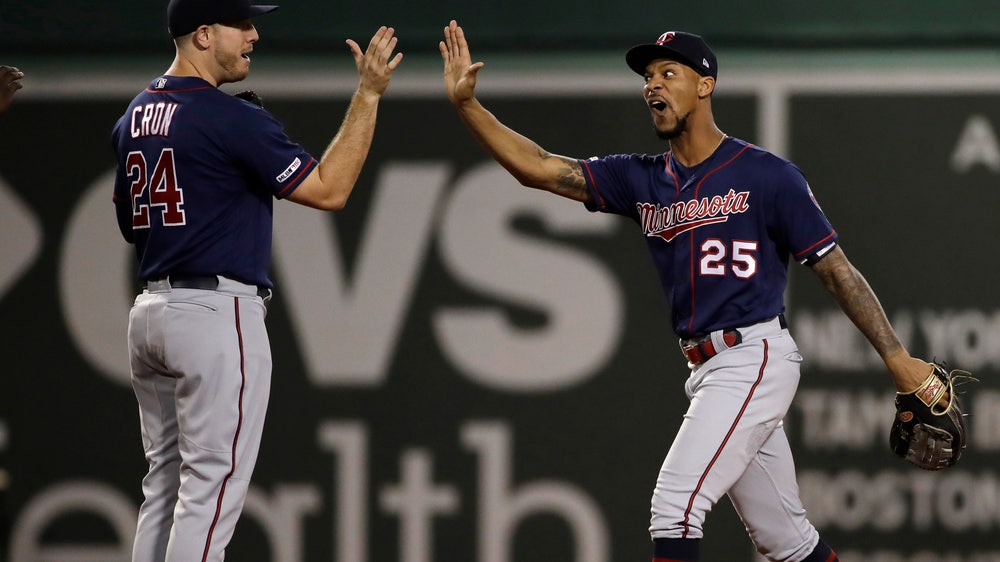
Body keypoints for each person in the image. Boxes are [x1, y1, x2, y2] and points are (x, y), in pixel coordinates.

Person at [440, 20, 936, 562]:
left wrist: (896, 358)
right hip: (707, 371)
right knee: (786, 541)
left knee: (674, 508)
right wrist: (468, 107)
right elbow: (538, 168)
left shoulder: (768, 176)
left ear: (705, 85)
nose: (652, 85)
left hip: (753, 356)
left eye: (667, 73)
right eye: (647, 76)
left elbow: (837, 270)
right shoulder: (641, 178)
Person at [110, 0, 401, 560]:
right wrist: (367, 96)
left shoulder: (134, 115)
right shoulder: (226, 116)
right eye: (239, 24)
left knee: (164, 485)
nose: (253, 34)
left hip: (151, 310)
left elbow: (131, 225)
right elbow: (330, 189)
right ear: (202, 34)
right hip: (214, 314)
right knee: (209, 491)